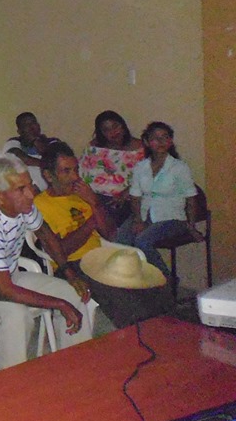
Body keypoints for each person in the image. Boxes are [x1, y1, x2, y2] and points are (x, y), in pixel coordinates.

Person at [0, 155, 91, 370]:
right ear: (0, 197)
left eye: (29, 185)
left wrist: (69, 274)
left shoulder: (22, 206)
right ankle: (12, 378)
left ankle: (77, 365)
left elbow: (44, 233)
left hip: (8, 274)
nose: (31, 193)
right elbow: (5, 291)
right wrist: (59, 304)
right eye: (21, 189)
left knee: (72, 293)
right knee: (17, 315)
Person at [34, 141, 173, 328]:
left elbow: (110, 234)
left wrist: (95, 203)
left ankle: (164, 330)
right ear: (48, 176)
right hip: (71, 266)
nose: (75, 177)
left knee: (154, 286)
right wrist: (91, 223)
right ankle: (139, 334)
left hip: (101, 256)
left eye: (76, 169)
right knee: (125, 300)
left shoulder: (81, 194)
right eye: (66, 171)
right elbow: (61, 250)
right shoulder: (40, 205)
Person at [116, 122, 200, 281]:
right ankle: (133, 281)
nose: (160, 142)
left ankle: (166, 279)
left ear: (170, 141)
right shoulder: (141, 167)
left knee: (142, 241)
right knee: (120, 240)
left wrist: (191, 226)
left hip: (172, 218)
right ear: (147, 142)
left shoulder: (179, 167)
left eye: (165, 137)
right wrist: (138, 220)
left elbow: (191, 198)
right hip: (144, 214)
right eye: (155, 138)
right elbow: (135, 196)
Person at [78, 110, 145, 226]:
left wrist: (125, 193)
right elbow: (81, 171)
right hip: (91, 196)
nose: (113, 132)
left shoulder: (140, 148)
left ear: (123, 126)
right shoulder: (95, 147)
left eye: (115, 126)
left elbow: (148, 177)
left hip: (123, 200)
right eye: (106, 130)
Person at [2, 112, 58, 190]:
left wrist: (42, 148)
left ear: (38, 126)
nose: (31, 127)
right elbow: (23, 159)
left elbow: (59, 162)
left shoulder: (53, 142)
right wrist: (47, 164)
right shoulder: (13, 142)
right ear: (19, 131)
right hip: (25, 190)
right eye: (26, 125)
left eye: (33, 123)